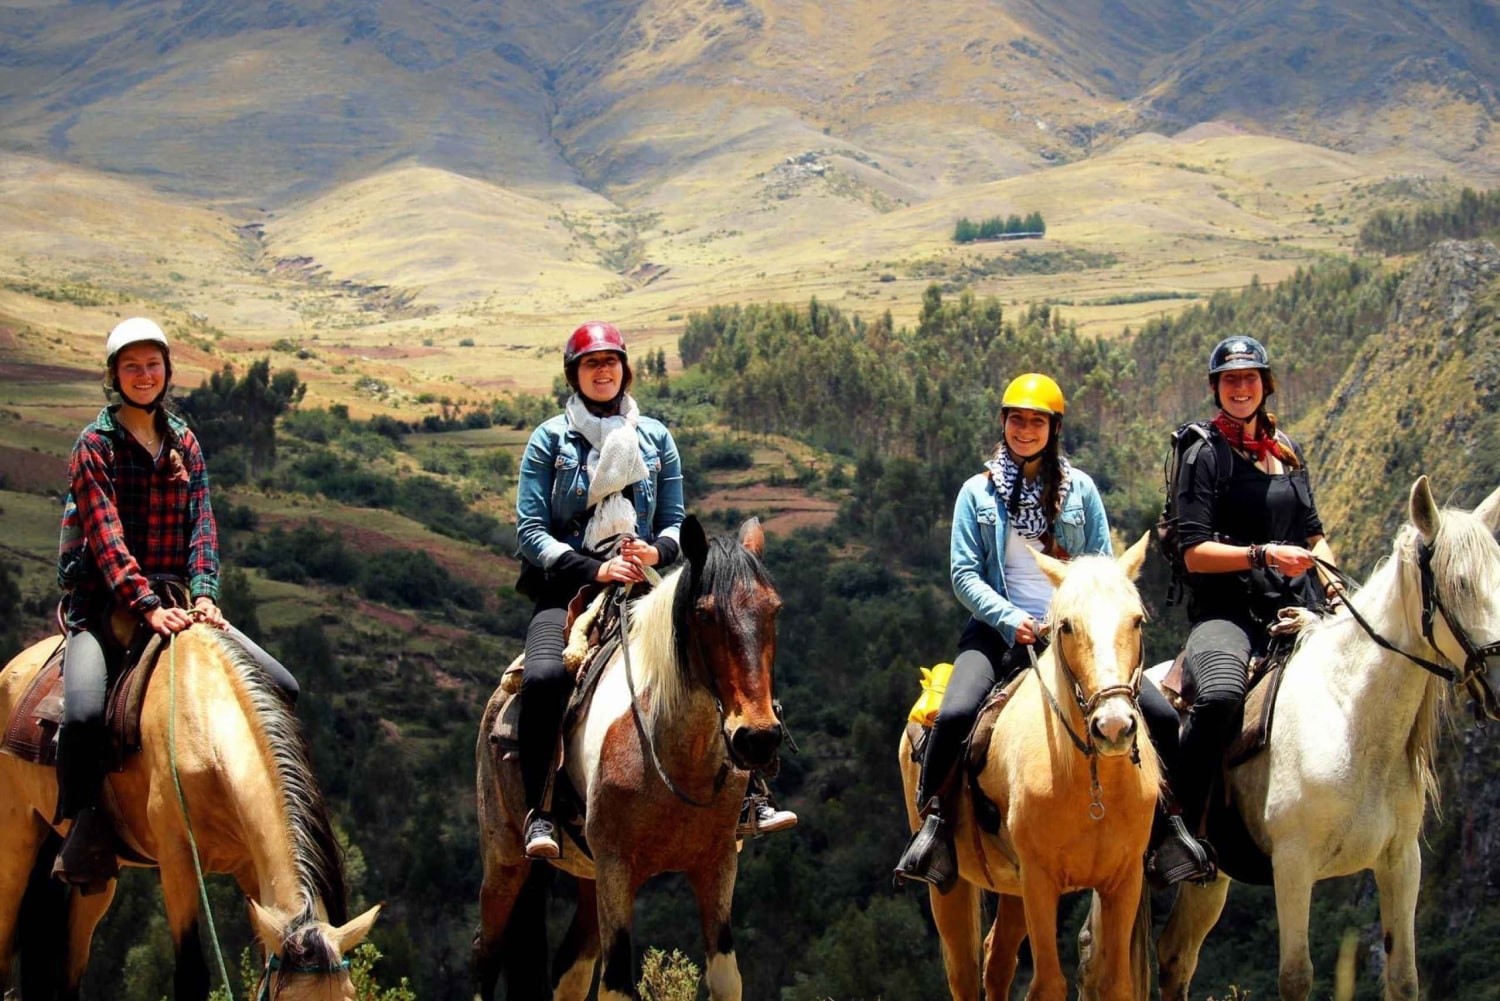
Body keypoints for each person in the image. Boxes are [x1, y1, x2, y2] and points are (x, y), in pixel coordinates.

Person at [514, 321, 796, 859]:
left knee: (724, 652)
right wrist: (591, 569)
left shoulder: (656, 438)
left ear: (624, 369)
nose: (603, 371)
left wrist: (655, 553)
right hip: (570, 585)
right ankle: (539, 811)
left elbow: (672, 521)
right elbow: (530, 531)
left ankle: (751, 792)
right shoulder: (549, 440)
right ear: (574, 374)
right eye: (591, 363)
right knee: (546, 676)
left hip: (647, 583)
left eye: (611, 362)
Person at [895, 373, 1189, 888]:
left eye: (1037, 421)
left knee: (1162, 716)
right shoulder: (976, 493)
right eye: (1017, 420)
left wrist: (1076, 620)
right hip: (997, 632)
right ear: (1004, 425)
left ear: (1054, 429)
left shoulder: (1082, 491)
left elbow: (1102, 567)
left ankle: (1170, 830)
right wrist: (1013, 620)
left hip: (1078, 633)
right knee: (959, 712)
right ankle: (936, 827)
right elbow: (965, 576)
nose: (1025, 430)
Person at [55, 317, 298, 888]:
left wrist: (207, 595)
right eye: (132, 366)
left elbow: (202, 528)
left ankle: (273, 812)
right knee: (86, 712)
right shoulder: (94, 445)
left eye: (153, 365)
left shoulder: (184, 440)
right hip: (105, 602)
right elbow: (106, 536)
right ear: (115, 375)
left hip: (180, 601)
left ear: (167, 371)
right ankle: (84, 824)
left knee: (282, 687)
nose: (144, 375)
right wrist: (144, 605)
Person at [1151, 335, 1341, 885]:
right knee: (1218, 699)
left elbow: (1314, 533)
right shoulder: (1202, 452)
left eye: (1250, 379)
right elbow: (1193, 551)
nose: (1240, 388)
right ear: (1217, 388)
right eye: (1230, 380)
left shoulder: (1286, 449)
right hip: (1227, 614)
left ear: (1265, 384)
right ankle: (1175, 827)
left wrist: (1330, 584)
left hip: (1297, 607)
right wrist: (1261, 553)